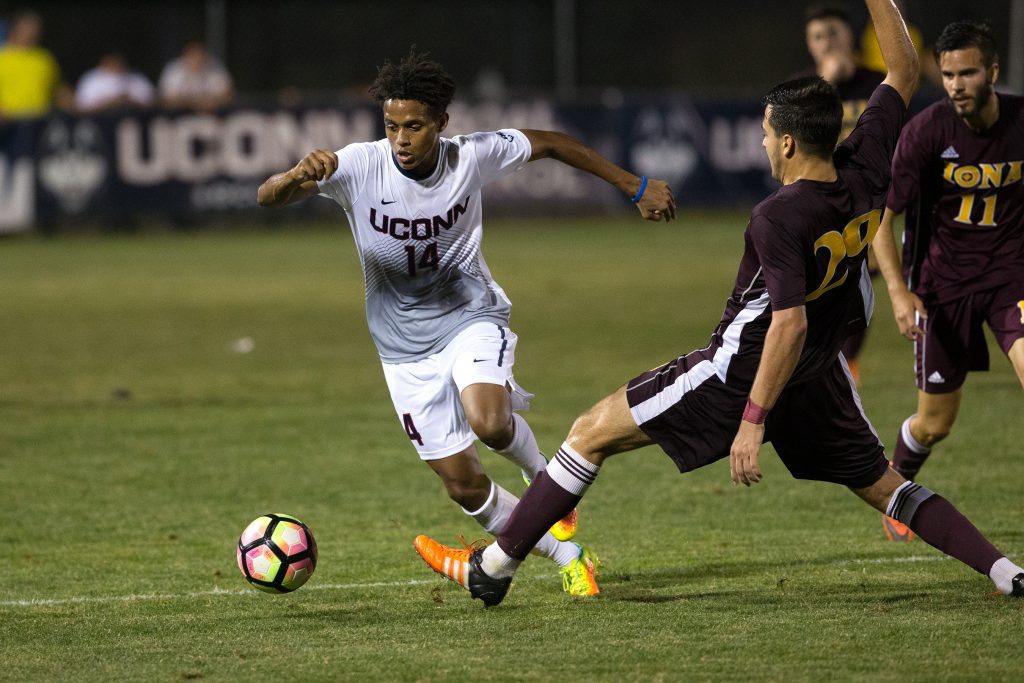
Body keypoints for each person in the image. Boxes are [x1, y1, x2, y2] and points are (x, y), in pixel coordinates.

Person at [414, 0, 1024, 607]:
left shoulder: (778, 216)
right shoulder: (864, 164)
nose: (760, 141)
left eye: (764, 131)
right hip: (817, 374)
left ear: (786, 141)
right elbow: (903, 70)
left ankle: (493, 566)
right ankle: (1005, 572)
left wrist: (751, 425)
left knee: (588, 433)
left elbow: (787, 321)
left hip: (740, 372)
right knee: (888, 487)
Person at [256, 51, 675, 597]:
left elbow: (551, 142)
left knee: (491, 423)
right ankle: (567, 554)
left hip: (469, 316)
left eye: (414, 126)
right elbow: (268, 198)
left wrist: (633, 186)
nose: (401, 138)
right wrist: (293, 176)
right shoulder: (358, 164)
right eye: (391, 126)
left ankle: (544, 475)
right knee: (463, 486)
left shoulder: (469, 157)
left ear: (441, 124)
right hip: (401, 348)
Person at [872, 20, 1024, 542]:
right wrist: (897, 290)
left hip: (1011, 281)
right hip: (941, 289)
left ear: (993, 72)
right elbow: (880, 221)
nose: (957, 84)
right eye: (949, 74)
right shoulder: (928, 132)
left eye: (968, 73)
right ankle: (899, 485)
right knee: (934, 424)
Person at [793, 2, 886, 385]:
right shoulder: (801, 89)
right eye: (818, 36)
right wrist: (826, 85)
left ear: (851, 36)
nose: (827, 42)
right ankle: (830, 364)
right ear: (809, 44)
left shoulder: (880, 83)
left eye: (834, 33)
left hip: (873, 207)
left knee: (858, 283)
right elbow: (796, 142)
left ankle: (845, 364)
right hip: (821, 207)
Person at [0, 10, 72, 120]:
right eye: (27, 29)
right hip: (9, 123)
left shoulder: (44, 58)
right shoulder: (3, 56)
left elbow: (58, 88)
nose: (32, 33)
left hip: (40, 122)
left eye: (35, 30)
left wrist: (73, 105)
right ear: (15, 29)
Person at [158, 40, 233, 111]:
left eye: (200, 56)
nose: (197, 60)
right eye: (193, 56)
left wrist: (191, 101)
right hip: (178, 116)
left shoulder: (214, 67)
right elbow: (168, 98)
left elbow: (227, 94)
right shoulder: (174, 68)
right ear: (185, 56)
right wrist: (197, 102)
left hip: (208, 115)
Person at [75, 51, 155, 113]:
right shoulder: (91, 79)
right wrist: (110, 103)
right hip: (98, 127)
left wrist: (127, 101)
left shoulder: (136, 78)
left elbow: (154, 104)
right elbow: (80, 109)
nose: (115, 62)